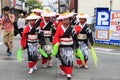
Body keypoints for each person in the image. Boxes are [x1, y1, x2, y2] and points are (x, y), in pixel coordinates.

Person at [52, 13, 79, 79]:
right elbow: (56, 36)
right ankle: (64, 70)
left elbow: (75, 38)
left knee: (69, 59)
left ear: (69, 21)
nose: (65, 21)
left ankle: (69, 73)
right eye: (64, 20)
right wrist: (57, 42)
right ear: (61, 20)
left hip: (69, 46)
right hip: (61, 46)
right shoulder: (59, 28)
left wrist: (76, 46)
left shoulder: (72, 29)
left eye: (67, 20)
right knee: (62, 59)